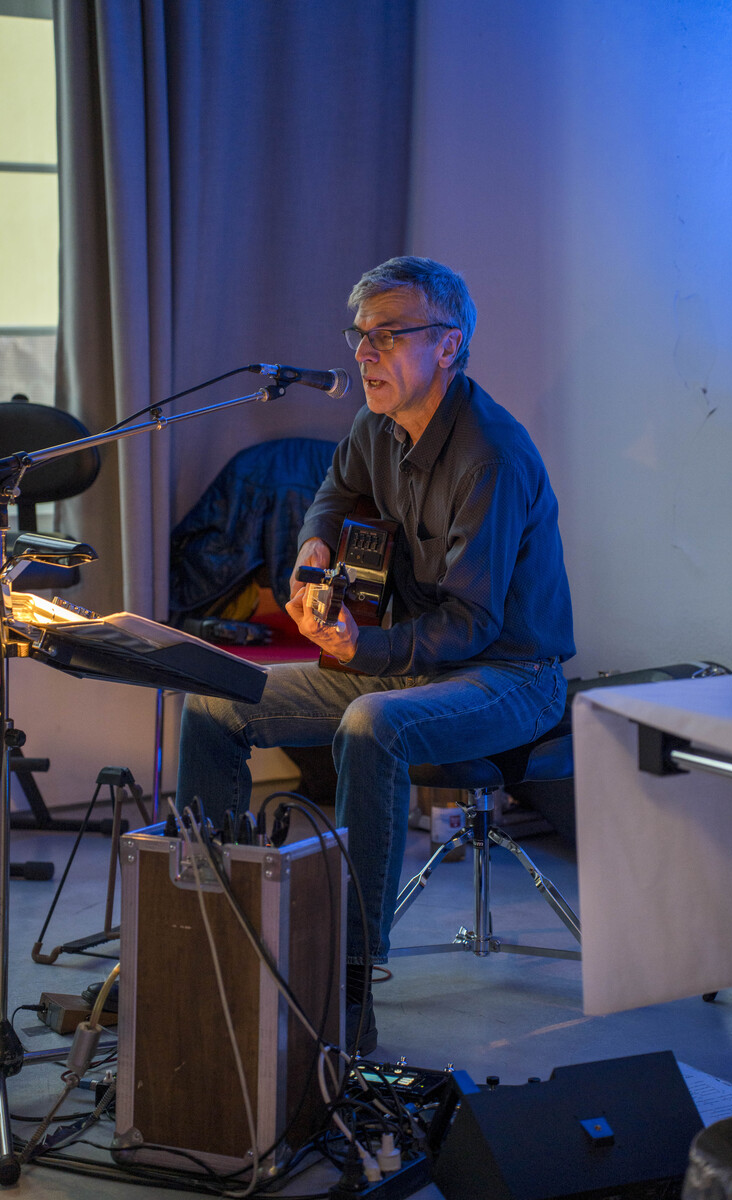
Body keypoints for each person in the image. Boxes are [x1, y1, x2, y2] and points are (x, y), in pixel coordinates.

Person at [176, 256, 575, 1054]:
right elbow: (333, 493)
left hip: (509, 675)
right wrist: (312, 551)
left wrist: (365, 646)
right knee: (214, 700)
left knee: (371, 724)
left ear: (448, 345)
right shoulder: (375, 426)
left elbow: (471, 624)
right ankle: (201, 933)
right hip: (411, 661)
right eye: (360, 335)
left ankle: (350, 976)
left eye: (388, 335)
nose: (364, 352)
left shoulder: (490, 455)